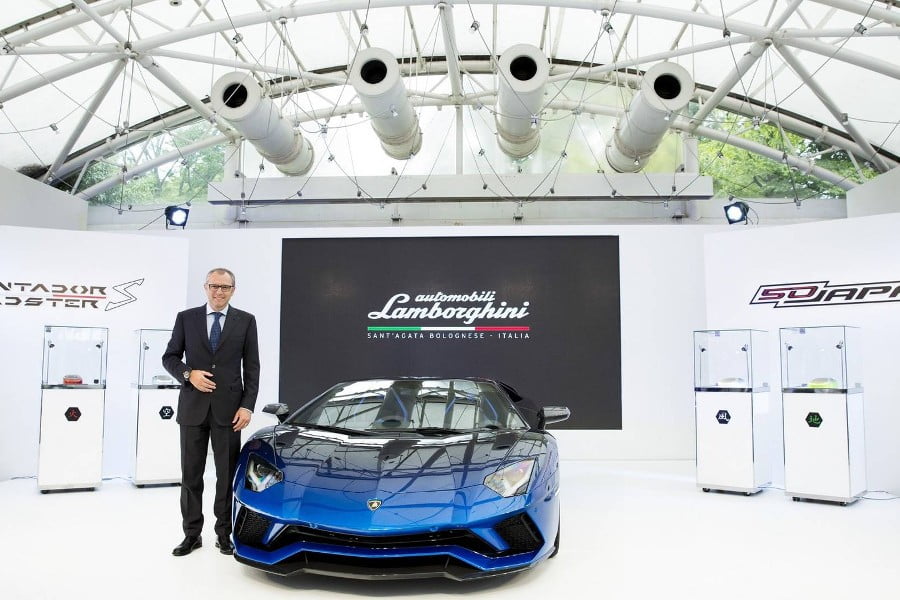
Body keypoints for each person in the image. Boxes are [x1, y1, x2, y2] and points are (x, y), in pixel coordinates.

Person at [162, 267, 260, 557]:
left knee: (226, 476)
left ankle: (224, 533)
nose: (219, 291)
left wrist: (247, 405)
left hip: (229, 412)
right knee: (191, 476)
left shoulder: (246, 320)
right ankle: (191, 534)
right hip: (192, 409)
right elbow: (169, 357)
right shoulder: (186, 318)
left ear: (233, 290)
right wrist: (188, 374)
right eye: (214, 286)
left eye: (225, 287)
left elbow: (252, 367)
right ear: (205, 287)